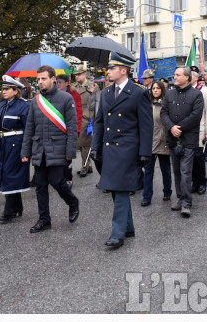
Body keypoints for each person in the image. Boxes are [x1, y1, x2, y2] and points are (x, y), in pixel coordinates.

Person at [91, 52, 153, 249]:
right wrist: (95, 147)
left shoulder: (138, 92)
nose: (108, 71)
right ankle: (128, 227)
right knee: (114, 189)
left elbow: (146, 125)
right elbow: (99, 122)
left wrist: (145, 152)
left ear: (123, 70)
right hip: (110, 148)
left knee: (120, 189)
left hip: (128, 148)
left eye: (111, 68)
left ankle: (117, 234)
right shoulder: (106, 93)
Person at [21, 65, 79, 233]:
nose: (40, 82)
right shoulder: (35, 101)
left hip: (58, 148)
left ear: (53, 79)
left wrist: (70, 152)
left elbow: (72, 127)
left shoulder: (66, 99)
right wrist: (25, 152)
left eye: (43, 78)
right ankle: (44, 219)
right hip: (40, 149)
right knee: (40, 185)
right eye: (38, 79)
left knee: (57, 181)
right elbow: (29, 128)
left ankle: (72, 202)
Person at [0, 75, 30, 223]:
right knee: (4, 174)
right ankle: (17, 206)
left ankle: (9, 211)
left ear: (16, 91)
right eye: (3, 88)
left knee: (11, 175)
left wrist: (26, 150)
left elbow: (29, 128)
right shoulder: (2, 106)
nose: (4, 91)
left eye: (7, 89)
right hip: (4, 144)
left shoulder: (23, 105)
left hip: (17, 143)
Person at [160, 66, 204, 218]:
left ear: (187, 77)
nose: (175, 77)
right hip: (173, 138)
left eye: (178, 75)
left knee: (186, 171)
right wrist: (171, 127)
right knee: (177, 170)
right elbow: (163, 112)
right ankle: (180, 197)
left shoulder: (196, 94)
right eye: (174, 75)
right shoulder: (170, 94)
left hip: (188, 139)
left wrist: (180, 127)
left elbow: (196, 115)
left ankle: (186, 202)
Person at [141, 81, 172, 206]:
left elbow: (168, 123)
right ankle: (146, 197)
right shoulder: (147, 104)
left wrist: (168, 140)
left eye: (157, 88)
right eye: (153, 88)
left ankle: (167, 192)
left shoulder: (166, 104)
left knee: (165, 169)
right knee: (148, 170)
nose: (155, 90)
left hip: (163, 140)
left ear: (162, 90)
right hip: (149, 141)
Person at [190, 66, 207, 195]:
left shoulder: (204, 91)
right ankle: (194, 182)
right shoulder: (185, 90)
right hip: (189, 131)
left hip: (200, 129)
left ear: (195, 77)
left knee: (199, 158)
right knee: (190, 158)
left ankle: (202, 182)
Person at [57, 74, 83, 188]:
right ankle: (60, 177)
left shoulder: (74, 94)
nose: (58, 85)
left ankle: (68, 178)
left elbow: (78, 113)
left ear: (67, 83)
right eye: (57, 82)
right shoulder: (54, 94)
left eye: (60, 82)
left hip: (69, 129)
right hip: (58, 129)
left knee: (68, 155)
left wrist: (77, 130)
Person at [73, 65, 99, 177]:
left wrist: (96, 119)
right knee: (83, 143)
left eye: (79, 74)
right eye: (75, 74)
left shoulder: (93, 86)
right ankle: (88, 165)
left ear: (84, 74)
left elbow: (97, 103)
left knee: (84, 142)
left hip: (87, 115)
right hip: (75, 115)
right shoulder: (73, 87)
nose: (76, 76)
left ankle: (85, 166)